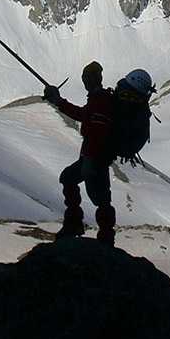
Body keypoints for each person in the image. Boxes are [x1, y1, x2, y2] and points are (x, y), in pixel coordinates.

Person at [44, 60, 117, 244]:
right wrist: (59, 102)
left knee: (99, 197)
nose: (84, 82)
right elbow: (83, 115)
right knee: (97, 195)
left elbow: (97, 132)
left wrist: (89, 160)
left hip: (94, 159)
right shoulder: (98, 99)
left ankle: (86, 228)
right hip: (95, 157)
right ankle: (100, 235)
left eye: (86, 78)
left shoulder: (100, 101)